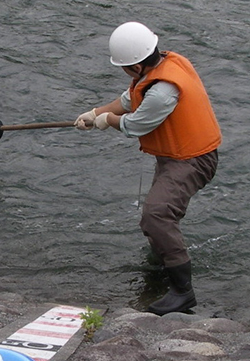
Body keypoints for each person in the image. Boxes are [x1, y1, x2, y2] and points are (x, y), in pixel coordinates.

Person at [75, 21, 222, 315]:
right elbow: (129, 100)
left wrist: (107, 122)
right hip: (175, 156)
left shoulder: (163, 91)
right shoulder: (161, 67)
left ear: (135, 66)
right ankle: (161, 265)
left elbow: (134, 123)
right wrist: (95, 113)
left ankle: (183, 292)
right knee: (156, 218)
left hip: (192, 159)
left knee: (157, 214)